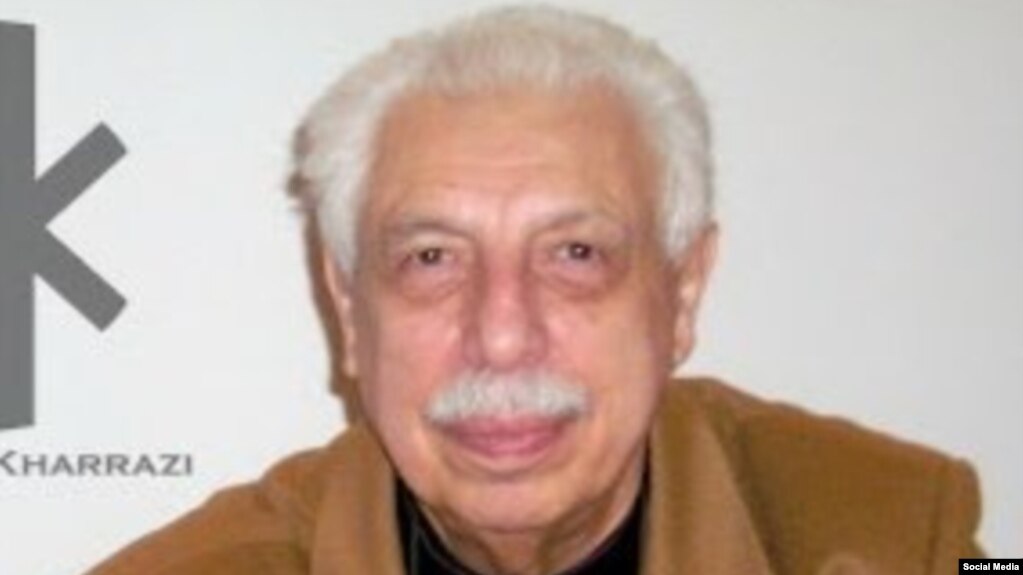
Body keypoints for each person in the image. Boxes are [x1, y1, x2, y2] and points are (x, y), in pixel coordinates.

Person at [88, 5, 982, 575]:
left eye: (575, 254)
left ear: (681, 295)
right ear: (348, 309)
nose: (504, 335)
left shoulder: (898, 537)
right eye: (432, 259)